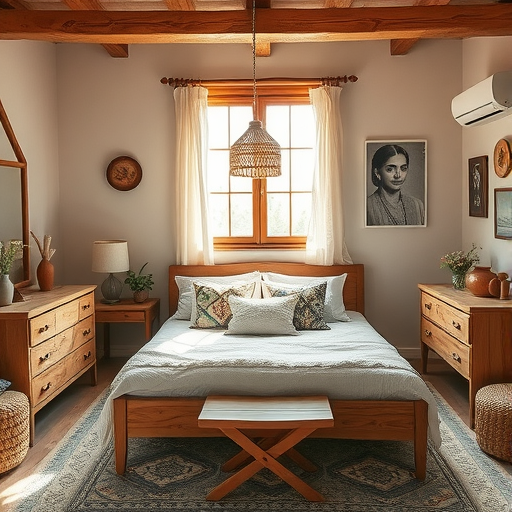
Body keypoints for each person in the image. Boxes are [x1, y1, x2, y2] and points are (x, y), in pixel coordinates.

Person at [366, 144, 425, 226]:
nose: (398, 175)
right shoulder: (367, 207)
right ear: (377, 173)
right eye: (390, 169)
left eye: (403, 168)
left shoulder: (417, 205)